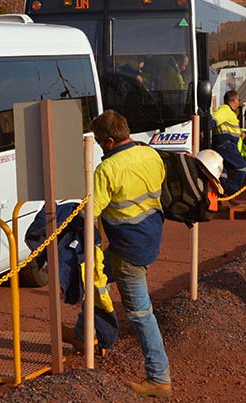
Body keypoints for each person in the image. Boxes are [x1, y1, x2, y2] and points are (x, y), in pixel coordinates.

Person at [88, 110, 171, 397]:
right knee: (96, 277)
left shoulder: (107, 170)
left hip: (128, 248)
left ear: (110, 140)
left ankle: (159, 377)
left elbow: (91, 213)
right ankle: (82, 331)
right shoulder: (150, 155)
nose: (100, 147)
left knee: (140, 314)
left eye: (100, 143)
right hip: (150, 237)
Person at [212, 90, 246, 194]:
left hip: (228, 145)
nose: (239, 102)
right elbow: (213, 121)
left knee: (224, 170)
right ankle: (230, 192)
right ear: (233, 100)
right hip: (225, 145)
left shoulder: (230, 113)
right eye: (238, 100)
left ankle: (222, 191)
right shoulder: (225, 110)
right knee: (242, 167)